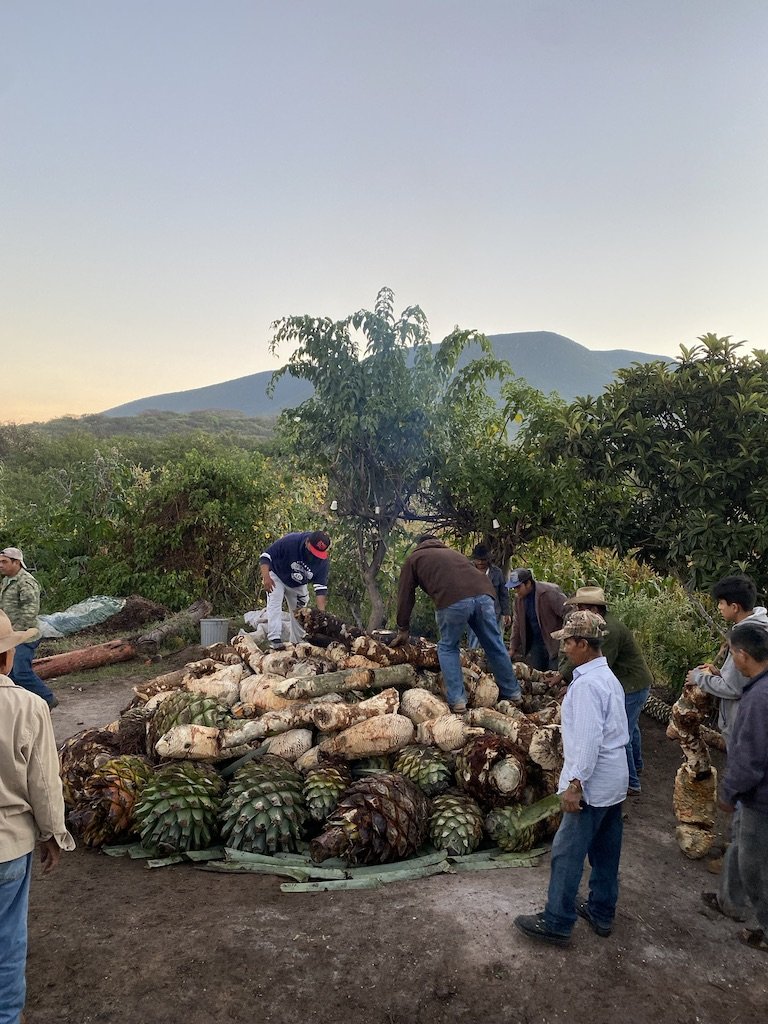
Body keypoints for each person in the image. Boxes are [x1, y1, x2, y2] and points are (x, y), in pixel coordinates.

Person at [514, 610, 629, 946]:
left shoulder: (587, 687)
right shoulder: (608, 678)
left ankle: (557, 920)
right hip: (614, 779)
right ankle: (601, 911)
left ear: (583, 643)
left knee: (566, 852)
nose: (563, 648)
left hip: (592, 783)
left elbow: (588, 741)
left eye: (567, 641)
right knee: (607, 851)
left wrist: (575, 785)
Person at [0, 609, 75, 1021]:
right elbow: (44, 785)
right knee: (7, 942)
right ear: (8, 657)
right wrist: (53, 836)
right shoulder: (28, 707)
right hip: (8, 847)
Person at [392, 535, 521, 713]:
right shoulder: (454, 554)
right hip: (484, 595)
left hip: (452, 599)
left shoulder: (414, 559)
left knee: (447, 647)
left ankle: (458, 700)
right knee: (495, 644)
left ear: (419, 545)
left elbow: (405, 595)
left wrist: (403, 628)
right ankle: (513, 692)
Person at [701, 622, 768, 953]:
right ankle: (733, 902)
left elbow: (749, 757)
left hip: (760, 798)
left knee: (754, 866)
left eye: (731, 652)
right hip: (758, 795)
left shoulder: (757, 698)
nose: (731, 659)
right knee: (745, 850)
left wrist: (728, 793)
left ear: (743, 655)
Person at [558, 587, 653, 796]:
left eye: (582, 607)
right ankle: (636, 767)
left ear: (594, 608)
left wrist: (575, 783)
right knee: (629, 728)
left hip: (632, 683)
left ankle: (632, 782)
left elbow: (594, 660)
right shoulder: (597, 627)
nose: (577, 611)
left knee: (622, 733)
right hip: (628, 681)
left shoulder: (606, 631)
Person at [687, 574, 768, 748]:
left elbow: (734, 689)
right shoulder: (761, 627)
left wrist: (698, 678)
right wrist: (721, 673)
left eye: (721, 603)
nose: (719, 607)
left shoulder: (745, 637)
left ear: (734, 607)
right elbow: (745, 677)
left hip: (743, 723)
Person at [0, 547, 57, 709]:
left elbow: (30, 612)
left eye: (4, 562)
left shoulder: (26, 582)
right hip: (11, 635)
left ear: (17, 562)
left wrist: (13, 635)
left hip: (25, 636)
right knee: (10, 673)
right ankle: (24, 704)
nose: (1, 565)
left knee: (21, 672)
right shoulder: (7, 580)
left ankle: (48, 700)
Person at [259, 531, 331, 650]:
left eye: (318, 553)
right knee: (274, 601)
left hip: (298, 584)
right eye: (313, 551)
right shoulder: (291, 541)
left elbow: (320, 589)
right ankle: (275, 639)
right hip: (277, 575)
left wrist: (321, 614)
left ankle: (297, 643)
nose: (314, 555)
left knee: (300, 613)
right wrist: (266, 577)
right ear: (307, 542)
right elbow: (266, 556)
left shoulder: (322, 562)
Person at [508, 568, 566, 671]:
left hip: (554, 642)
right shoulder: (518, 600)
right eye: (514, 588)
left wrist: (565, 635)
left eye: (518, 587)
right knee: (536, 675)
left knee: (553, 674)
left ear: (528, 583)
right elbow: (517, 624)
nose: (516, 591)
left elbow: (568, 612)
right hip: (535, 644)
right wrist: (513, 648)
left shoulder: (549, 593)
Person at [467, 544, 510, 648]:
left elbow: (503, 594)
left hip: (495, 614)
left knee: (496, 644)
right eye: (478, 560)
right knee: (474, 645)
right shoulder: (467, 571)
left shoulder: (497, 572)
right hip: (474, 614)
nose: (481, 562)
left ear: (488, 559)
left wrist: (507, 613)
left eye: (483, 560)